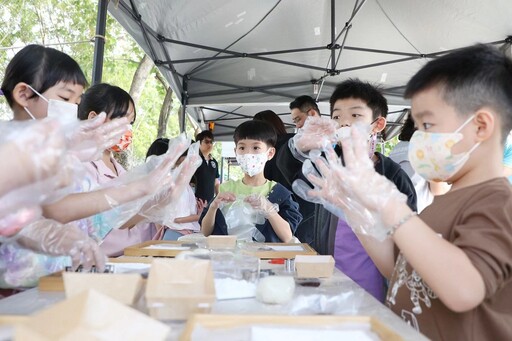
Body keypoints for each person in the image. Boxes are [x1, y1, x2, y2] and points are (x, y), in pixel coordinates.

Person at [305, 44, 512, 339]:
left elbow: (464, 290)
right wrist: (352, 209)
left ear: (481, 126)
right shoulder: (442, 204)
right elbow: (396, 268)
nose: (418, 139)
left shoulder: (499, 203)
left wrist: (387, 200)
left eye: (427, 125)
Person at [327, 79, 417, 302]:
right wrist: (298, 148)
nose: (344, 124)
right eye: (337, 117)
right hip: (327, 278)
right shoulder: (327, 167)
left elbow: (406, 243)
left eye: (355, 116)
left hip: (373, 284)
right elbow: (290, 170)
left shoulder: (394, 176)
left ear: (377, 125)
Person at [200, 120, 302, 242]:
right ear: (235, 152)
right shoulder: (225, 188)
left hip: (265, 259)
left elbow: (287, 236)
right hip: (229, 257)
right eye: (242, 147)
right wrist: (213, 207)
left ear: (270, 153)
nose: (248, 153)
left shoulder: (279, 193)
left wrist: (269, 209)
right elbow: (205, 232)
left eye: (255, 147)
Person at [146, 138, 206, 240]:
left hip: (184, 233)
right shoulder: (169, 185)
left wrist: (199, 213)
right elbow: (173, 219)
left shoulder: (183, 184)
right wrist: (200, 216)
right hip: (176, 234)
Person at [389, 111, 435, 212]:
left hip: (394, 210)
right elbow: (438, 190)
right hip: (418, 212)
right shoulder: (429, 148)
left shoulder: (398, 148)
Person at [193, 130, 220, 203]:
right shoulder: (194, 160)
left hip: (210, 202)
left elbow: (216, 182)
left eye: (211, 142)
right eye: (207, 142)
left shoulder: (214, 162)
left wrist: (218, 197)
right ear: (199, 143)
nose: (210, 144)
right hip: (195, 202)